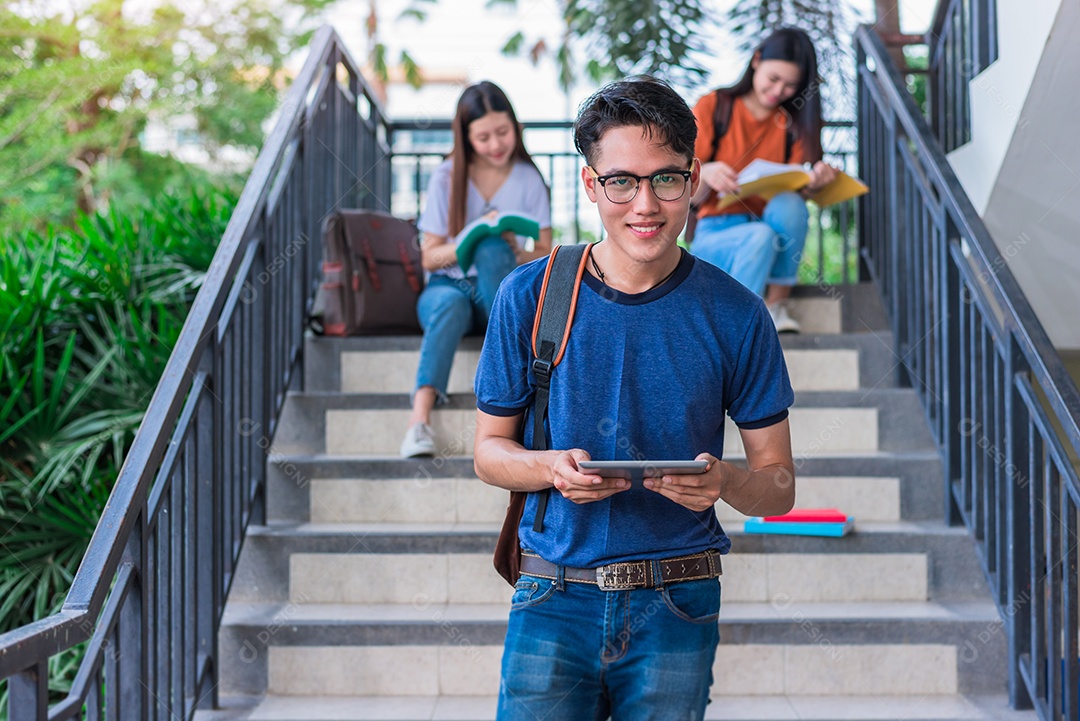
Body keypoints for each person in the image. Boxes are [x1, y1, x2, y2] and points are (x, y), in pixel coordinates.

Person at [473, 76, 796, 721]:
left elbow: (778, 486)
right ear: (592, 184)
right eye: (621, 180)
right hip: (551, 592)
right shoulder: (529, 295)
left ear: (694, 178)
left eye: (666, 179)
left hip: (678, 599)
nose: (644, 204)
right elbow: (488, 452)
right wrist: (549, 469)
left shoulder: (737, 314)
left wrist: (727, 481)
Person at [400, 81, 552, 458]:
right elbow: (429, 256)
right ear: (466, 138)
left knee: (493, 247)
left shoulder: (528, 178)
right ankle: (418, 422)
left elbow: (546, 250)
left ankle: (509, 404)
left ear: (516, 127)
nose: (496, 144)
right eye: (483, 137)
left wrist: (515, 252)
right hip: (447, 289)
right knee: (457, 293)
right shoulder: (446, 176)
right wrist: (468, 239)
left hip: (496, 297)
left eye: (503, 132)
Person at [689, 27, 838, 333]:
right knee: (760, 237)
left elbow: (792, 193)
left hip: (766, 226)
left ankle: (776, 305)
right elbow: (685, 196)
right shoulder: (714, 107)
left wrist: (813, 184)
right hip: (716, 231)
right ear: (756, 60)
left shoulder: (792, 124)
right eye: (774, 79)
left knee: (790, 203)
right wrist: (708, 172)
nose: (779, 90)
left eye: (790, 85)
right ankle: (736, 327)